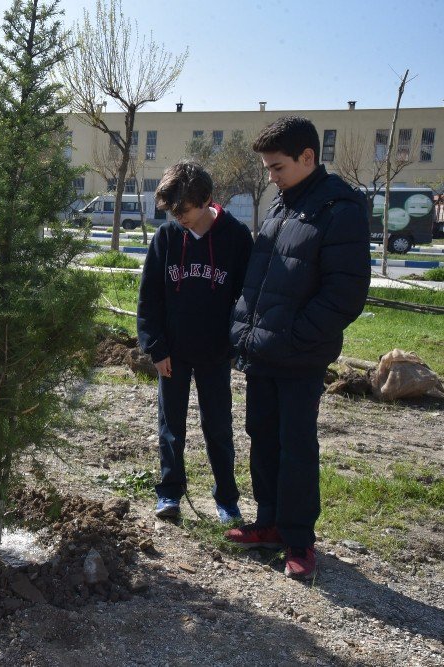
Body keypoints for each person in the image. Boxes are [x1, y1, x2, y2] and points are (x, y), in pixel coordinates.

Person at [227, 116, 370, 579]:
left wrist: (293, 337)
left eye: (277, 167)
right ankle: (268, 523)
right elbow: (264, 274)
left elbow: (344, 294)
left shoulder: (340, 209)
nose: (270, 176)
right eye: (268, 168)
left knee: (296, 447)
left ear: (308, 157)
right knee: (262, 438)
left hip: (300, 356)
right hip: (264, 351)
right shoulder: (284, 203)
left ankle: (299, 540)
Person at [137, 161, 253, 523]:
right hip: (172, 354)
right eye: (171, 211)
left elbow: (247, 299)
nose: (177, 217)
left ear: (205, 200)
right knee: (171, 426)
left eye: (183, 210)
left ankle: (227, 500)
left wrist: (237, 346)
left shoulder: (236, 238)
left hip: (215, 353)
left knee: (218, 427)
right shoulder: (167, 238)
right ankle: (170, 493)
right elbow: (149, 297)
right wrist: (155, 347)